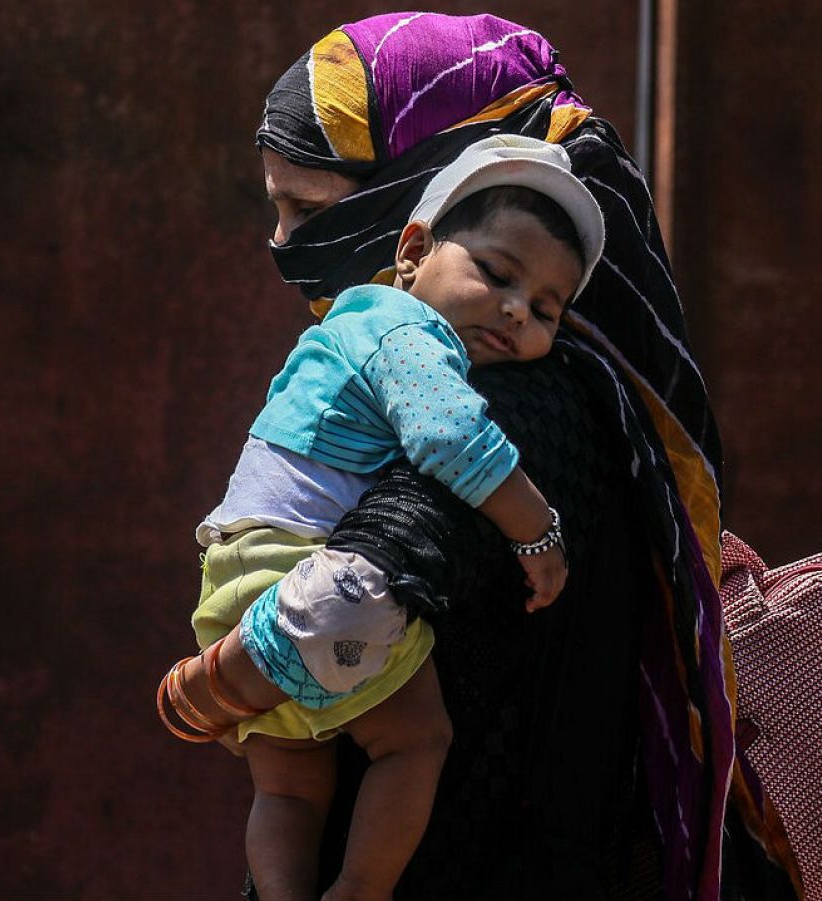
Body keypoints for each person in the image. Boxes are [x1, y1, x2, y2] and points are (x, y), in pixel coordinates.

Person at [203, 12, 806, 901]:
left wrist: (219, 676)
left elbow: (389, 554)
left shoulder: (513, 388)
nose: (286, 246)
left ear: (418, 204)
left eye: (311, 210)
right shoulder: (511, 372)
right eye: (276, 209)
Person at [159, 135, 609, 901]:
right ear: (412, 250)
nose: (513, 310)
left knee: (291, 789)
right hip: (311, 574)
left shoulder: (340, 329)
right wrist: (536, 528)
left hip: (230, 564)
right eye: (496, 274)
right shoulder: (407, 331)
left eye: (544, 309)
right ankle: (360, 889)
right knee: (416, 742)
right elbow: (453, 438)